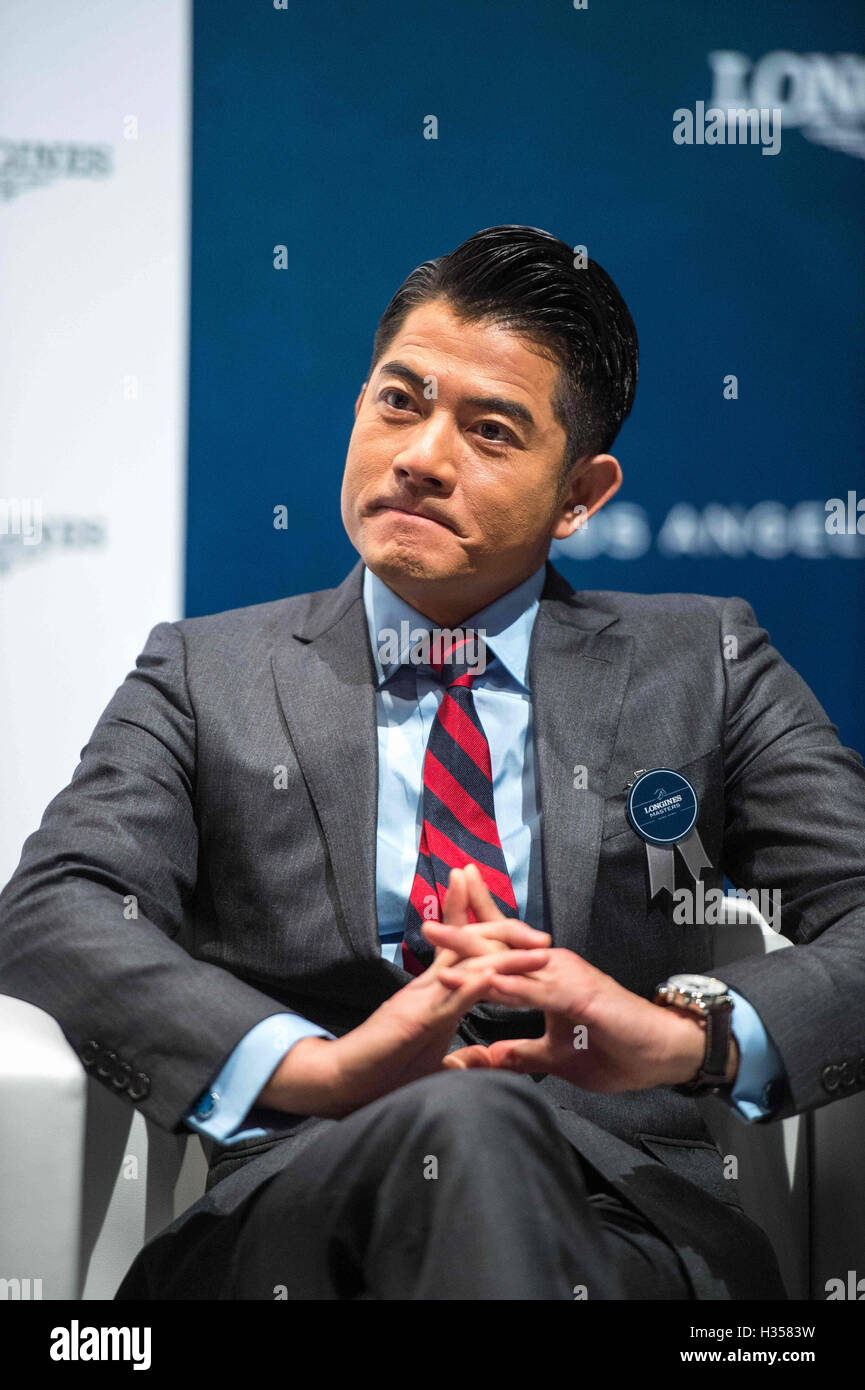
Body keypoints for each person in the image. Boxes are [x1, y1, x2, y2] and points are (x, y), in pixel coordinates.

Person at [2, 224, 863, 1301]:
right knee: (460, 1126)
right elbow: (60, 907)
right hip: (303, 1205)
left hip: (628, 1226)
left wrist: (684, 1034)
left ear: (581, 494)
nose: (418, 454)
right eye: (398, 401)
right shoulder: (204, 672)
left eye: (490, 429)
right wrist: (310, 1066)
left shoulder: (705, 663)